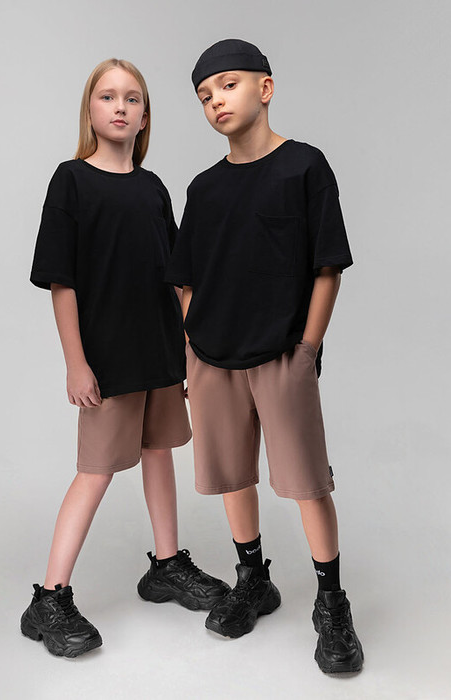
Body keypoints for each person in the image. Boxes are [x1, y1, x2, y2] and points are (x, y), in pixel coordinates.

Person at [165, 39, 364, 674]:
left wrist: (307, 348)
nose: (216, 102)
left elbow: (327, 265)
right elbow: (184, 277)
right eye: (204, 96)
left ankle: (332, 603)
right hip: (212, 356)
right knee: (232, 474)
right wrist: (192, 345)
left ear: (265, 88)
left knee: (306, 480)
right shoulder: (203, 188)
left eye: (227, 85)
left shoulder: (304, 166)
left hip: (282, 352)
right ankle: (252, 578)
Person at [21, 58, 230, 658]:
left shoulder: (153, 188)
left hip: (160, 349)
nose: (120, 106)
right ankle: (49, 596)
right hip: (107, 358)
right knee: (97, 470)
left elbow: (175, 277)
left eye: (132, 98)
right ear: (90, 109)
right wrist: (76, 362)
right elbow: (62, 282)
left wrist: (188, 347)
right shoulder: (71, 181)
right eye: (108, 96)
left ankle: (166, 565)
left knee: (159, 451)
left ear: (144, 117)